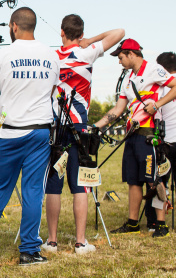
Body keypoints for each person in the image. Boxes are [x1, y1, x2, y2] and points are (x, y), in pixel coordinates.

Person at [0, 7, 60, 266]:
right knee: (33, 191)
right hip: (39, 131)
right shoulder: (51, 54)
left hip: (10, 132)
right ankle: (29, 250)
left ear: (13, 26)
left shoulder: (2, 55)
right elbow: (52, 90)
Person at [43, 15, 124, 254]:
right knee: (80, 186)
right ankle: (80, 242)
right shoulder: (86, 52)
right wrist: (90, 40)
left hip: (56, 127)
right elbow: (119, 31)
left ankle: (52, 241)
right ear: (80, 33)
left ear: (61, 32)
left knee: (53, 185)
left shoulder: (52, 57)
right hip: (79, 127)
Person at [93, 40, 176, 237]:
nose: (119, 62)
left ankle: (161, 224)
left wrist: (157, 104)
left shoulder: (154, 69)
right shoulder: (128, 79)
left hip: (149, 134)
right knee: (133, 181)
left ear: (131, 54)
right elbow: (118, 109)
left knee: (154, 180)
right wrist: (94, 127)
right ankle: (132, 223)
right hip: (131, 136)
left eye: (121, 57)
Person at [144, 52, 176, 237]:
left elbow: (155, 114)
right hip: (169, 141)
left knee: (159, 183)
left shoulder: (163, 87)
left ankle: (157, 222)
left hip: (166, 143)